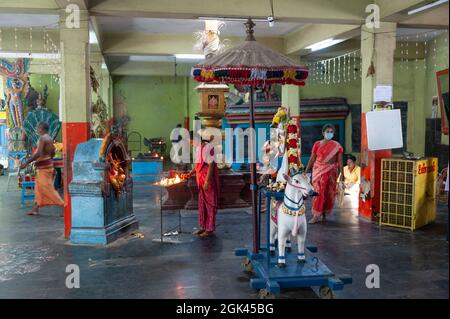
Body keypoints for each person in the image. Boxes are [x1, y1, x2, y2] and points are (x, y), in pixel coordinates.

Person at [20, 122, 64, 216]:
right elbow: (52, 152)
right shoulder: (49, 138)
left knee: (48, 189)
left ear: (43, 129)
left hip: (44, 168)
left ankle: (64, 206)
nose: (37, 129)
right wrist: (48, 160)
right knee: (39, 189)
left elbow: (38, 153)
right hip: (46, 165)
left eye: (38, 128)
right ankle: (36, 208)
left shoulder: (42, 139)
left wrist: (26, 162)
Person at [182, 131, 219, 238]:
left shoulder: (207, 148)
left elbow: (211, 165)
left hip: (207, 179)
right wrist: (190, 173)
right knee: (202, 204)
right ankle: (203, 226)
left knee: (209, 204)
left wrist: (207, 181)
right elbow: (198, 165)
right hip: (200, 179)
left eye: (191, 142)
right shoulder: (199, 148)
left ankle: (210, 229)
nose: (191, 144)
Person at [304, 124, 344, 224]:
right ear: (323, 133)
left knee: (328, 193)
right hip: (318, 171)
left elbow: (339, 160)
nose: (329, 133)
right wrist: (306, 171)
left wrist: (342, 174)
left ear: (333, 134)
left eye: (331, 132)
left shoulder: (337, 146)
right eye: (327, 132)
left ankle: (323, 215)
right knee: (318, 192)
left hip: (331, 172)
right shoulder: (317, 144)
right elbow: (312, 158)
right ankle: (315, 215)